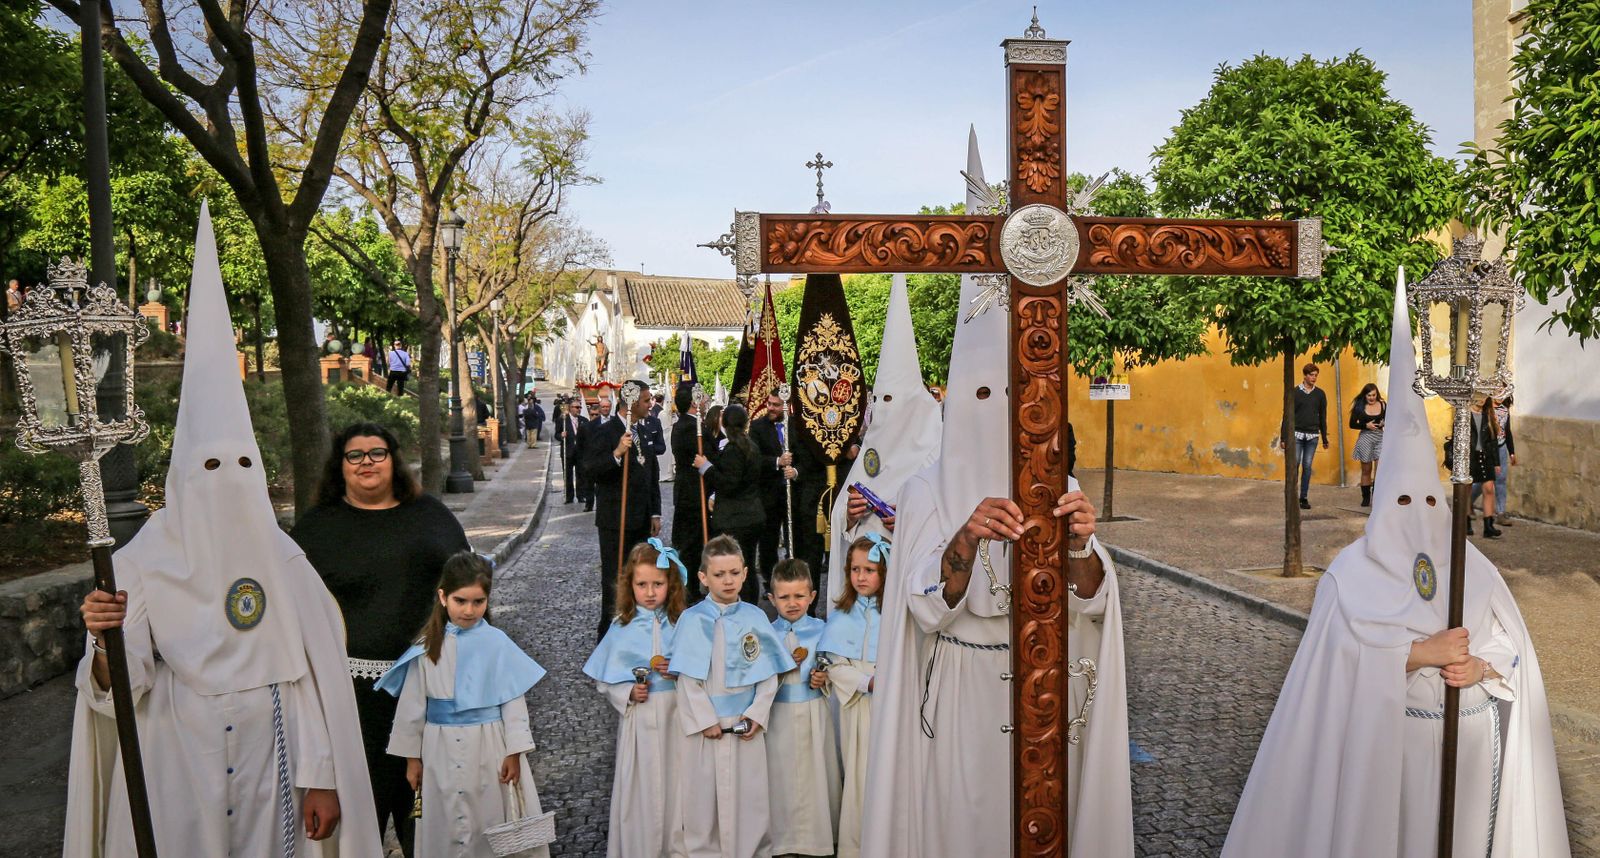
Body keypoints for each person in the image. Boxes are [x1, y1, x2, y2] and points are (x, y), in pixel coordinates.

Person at [67, 203, 380, 857]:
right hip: (175, 767)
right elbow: (120, 689)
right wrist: (105, 640)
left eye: (242, 465)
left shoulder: (284, 560)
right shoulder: (145, 559)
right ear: (183, 475)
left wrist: (322, 779)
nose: (228, 480)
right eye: (210, 466)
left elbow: (311, 681)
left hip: (277, 762)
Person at [1221, 278, 1567, 858]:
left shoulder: (1472, 567)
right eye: (1403, 502)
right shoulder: (1349, 574)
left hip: (1472, 752)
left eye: (1429, 501)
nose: (1418, 514)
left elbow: (1512, 648)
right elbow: (1332, 669)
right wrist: (1415, 655)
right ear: (1381, 505)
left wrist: (1482, 664)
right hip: (1388, 758)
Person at [862, 130, 1132, 858]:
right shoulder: (925, 490)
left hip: (1047, 690)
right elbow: (921, 604)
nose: (1000, 413)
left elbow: (1093, 598)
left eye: (1013, 395)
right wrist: (966, 537)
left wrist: (1080, 544)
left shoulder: (1060, 482)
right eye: (984, 395)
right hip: (961, 693)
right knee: (965, 830)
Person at [292, 421, 471, 857]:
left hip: (427, 693)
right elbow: (292, 610)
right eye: (355, 455)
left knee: (429, 821)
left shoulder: (431, 515)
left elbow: (469, 588)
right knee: (358, 823)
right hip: (350, 704)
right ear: (341, 465)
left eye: (377, 453)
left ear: (394, 461)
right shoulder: (316, 529)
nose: (366, 462)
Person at [376, 552, 551, 858]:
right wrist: (411, 759)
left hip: (489, 746)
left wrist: (515, 750)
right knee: (444, 819)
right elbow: (412, 708)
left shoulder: (497, 643)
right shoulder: (426, 647)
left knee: (489, 817)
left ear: (487, 600)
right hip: (438, 749)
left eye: (478, 602)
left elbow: (512, 701)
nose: (469, 610)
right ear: (443, 597)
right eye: (461, 601)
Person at [673, 536, 795, 858]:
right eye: (718, 574)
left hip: (745, 727)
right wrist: (704, 719)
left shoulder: (755, 618)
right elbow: (687, 679)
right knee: (703, 801)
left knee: (750, 799)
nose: (727, 581)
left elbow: (769, 675)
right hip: (707, 730)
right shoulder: (691, 620)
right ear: (703, 578)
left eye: (733, 573)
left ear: (744, 574)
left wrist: (756, 713)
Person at [830, 273, 941, 609]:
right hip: (866, 591)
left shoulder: (935, 453)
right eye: (880, 400)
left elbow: (950, 522)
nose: (884, 409)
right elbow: (840, 521)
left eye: (893, 400)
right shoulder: (872, 452)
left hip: (912, 584)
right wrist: (849, 515)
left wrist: (910, 520)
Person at [583, 539, 689, 858]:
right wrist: (627, 691)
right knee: (641, 788)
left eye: (657, 584)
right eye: (642, 584)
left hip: (676, 719)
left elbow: (701, 668)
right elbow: (605, 680)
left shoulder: (682, 624)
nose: (650, 591)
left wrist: (680, 672)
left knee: (678, 785)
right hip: (640, 721)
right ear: (630, 585)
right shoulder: (621, 626)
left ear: (670, 585)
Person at [765, 558, 841, 857]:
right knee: (780, 777)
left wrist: (825, 678)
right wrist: (780, 668)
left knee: (815, 774)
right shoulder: (766, 635)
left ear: (812, 596)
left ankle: (817, 837)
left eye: (799, 596)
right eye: (784, 597)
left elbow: (836, 669)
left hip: (814, 713)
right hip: (779, 716)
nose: (792, 603)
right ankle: (782, 838)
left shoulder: (823, 630)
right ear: (772, 599)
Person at [819, 534, 886, 858]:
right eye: (855, 569)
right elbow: (834, 667)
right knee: (859, 775)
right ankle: (857, 846)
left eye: (869, 570)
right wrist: (866, 682)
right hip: (857, 705)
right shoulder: (842, 615)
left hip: (889, 709)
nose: (860, 577)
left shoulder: (896, 615)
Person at [585, 380, 664, 641]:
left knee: (639, 577)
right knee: (614, 578)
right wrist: (617, 453)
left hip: (640, 518)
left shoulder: (644, 430)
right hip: (615, 519)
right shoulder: (606, 432)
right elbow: (591, 469)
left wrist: (655, 511)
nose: (649, 404)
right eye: (644, 400)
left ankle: (635, 630)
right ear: (630, 403)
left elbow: (650, 472)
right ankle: (608, 634)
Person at [695, 403, 768, 604]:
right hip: (752, 515)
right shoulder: (751, 445)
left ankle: (741, 606)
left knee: (735, 567)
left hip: (734, 518)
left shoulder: (734, 449)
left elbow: (729, 483)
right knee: (748, 567)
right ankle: (750, 605)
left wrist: (706, 468)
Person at [749, 391, 797, 587]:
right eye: (769, 403)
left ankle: (794, 574)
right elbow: (754, 458)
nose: (770, 408)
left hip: (793, 492)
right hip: (768, 493)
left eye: (776, 405)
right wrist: (777, 461)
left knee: (794, 534)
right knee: (768, 540)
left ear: (786, 406)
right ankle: (770, 580)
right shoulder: (757, 426)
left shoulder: (796, 425)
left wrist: (794, 469)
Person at [671, 384, 710, 602]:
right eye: (702, 397)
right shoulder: (690, 427)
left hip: (691, 491)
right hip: (693, 493)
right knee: (691, 545)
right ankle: (690, 590)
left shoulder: (689, 424)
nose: (705, 399)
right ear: (694, 402)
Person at [1473, 395, 1517, 526]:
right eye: (1497, 391)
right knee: (1484, 480)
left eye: (1502, 391)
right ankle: (1467, 503)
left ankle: (1501, 513)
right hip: (1486, 448)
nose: (1500, 395)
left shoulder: (1504, 410)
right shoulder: (1485, 409)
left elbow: (1507, 431)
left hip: (1501, 448)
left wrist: (1512, 452)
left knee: (1501, 480)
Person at [1292, 362, 1330, 510]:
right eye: (1311, 375)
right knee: (1294, 463)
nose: (1314, 378)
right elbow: (1288, 415)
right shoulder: (1295, 392)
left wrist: (1325, 438)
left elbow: (1323, 417)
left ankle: (1303, 497)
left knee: (1307, 466)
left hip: (1313, 435)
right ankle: (1292, 495)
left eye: (1316, 375)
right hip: (1297, 434)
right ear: (1305, 375)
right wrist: (1283, 438)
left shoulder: (1320, 394)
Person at [1350, 382, 1386, 507]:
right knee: (1366, 470)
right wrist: (1365, 425)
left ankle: (1377, 495)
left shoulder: (1383, 404)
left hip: (1380, 437)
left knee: (1380, 469)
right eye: (1369, 395)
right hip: (1365, 437)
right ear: (1365, 395)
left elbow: (1389, 419)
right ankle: (1366, 498)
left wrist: (1383, 423)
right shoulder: (1359, 406)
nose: (1371, 398)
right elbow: (1352, 424)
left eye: (1374, 395)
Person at [556, 398, 584, 504]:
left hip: (580, 453)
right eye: (576, 407)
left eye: (579, 407)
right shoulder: (563, 420)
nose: (578, 409)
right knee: (567, 475)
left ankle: (581, 495)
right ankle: (569, 496)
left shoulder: (583, 420)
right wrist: (561, 435)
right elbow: (556, 434)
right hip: (568, 452)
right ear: (570, 408)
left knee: (580, 475)